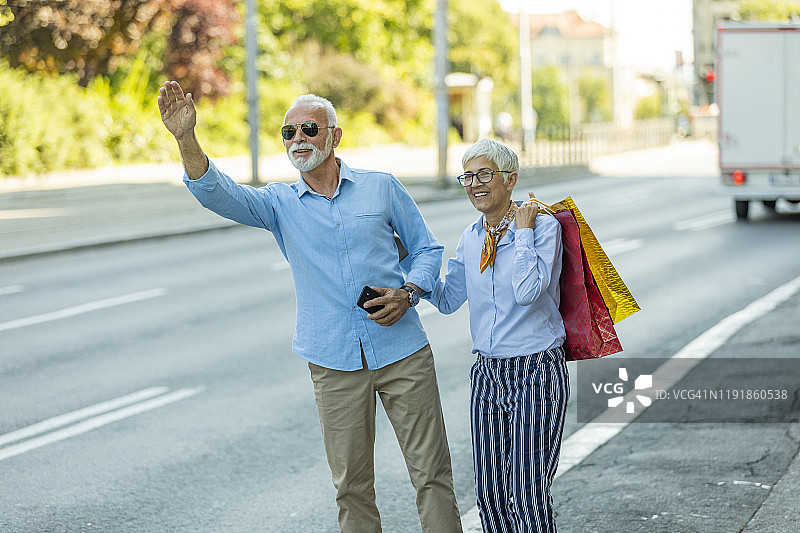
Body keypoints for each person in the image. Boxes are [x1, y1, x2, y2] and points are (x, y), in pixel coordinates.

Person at [157, 81, 462, 533]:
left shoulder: (381, 188)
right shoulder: (279, 204)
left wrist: (410, 292)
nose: (297, 138)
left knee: (432, 475)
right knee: (352, 487)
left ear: (334, 136)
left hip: (403, 352)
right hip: (332, 360)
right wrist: (186, 138)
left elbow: (426, 249)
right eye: (288, 132)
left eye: (308, 129)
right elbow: (216, 192)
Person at [425, 138, 568, 533]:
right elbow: (448, 297)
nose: (475, 184)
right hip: (487, 373)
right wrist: (408, 259)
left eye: (485, 174)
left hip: (535, 370)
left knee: (527, 491)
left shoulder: (542, 228)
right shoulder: (471, 236)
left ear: (511, 179)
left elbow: (527, 292)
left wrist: (521, 234)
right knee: (491, 493)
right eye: (468, 177)